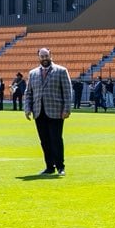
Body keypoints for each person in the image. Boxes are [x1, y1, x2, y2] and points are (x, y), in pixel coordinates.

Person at [25, 46, 76, 176]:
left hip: (56, 111)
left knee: (56, 139)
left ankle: (60, 166)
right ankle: (49, 166)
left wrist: (67, 109)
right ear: (39, 57)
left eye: (46, 56)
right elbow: (29, 93)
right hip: (39, 112)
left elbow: (67, 92)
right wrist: (27, 109)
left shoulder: (61, 71)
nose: (44, 59)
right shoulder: (33, 73)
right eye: (42, 56)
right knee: (44, 141)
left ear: (50, 55)